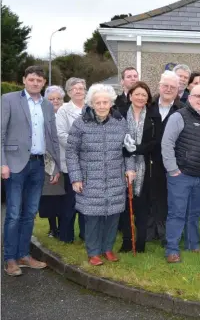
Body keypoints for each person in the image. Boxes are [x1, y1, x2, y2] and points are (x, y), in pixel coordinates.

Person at [66, 84, 136, 266]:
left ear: (111, 103)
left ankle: (107, 248)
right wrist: (76, 177)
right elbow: (71, 152)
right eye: (98, 102)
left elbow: (128, 149)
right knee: (93, 217)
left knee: (113, 216)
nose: (102, 106)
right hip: (90, 179)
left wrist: (130, 168)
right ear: (92, 103)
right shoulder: (81, 123)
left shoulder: (120, 122)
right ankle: (93, 251)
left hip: (115, 177)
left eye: (106, 102)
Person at [2, 66, 61, 276]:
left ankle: (24, 255)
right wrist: (2, 163)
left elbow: (52, 136)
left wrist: (57, 165)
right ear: (24, 80)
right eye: (32, 79)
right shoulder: (8, 100)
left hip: (38, 165)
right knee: (14, 213)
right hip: (15, 165)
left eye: (39, 80)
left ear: (43, 83)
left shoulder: (46, 104)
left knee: (29, 213)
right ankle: (10, 259)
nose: (35, 83)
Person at [162, 84, 200, 263]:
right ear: (189, 98)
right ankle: (172, 249)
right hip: (181, 175)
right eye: (197, 96)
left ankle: (193, 245)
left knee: (194, 213)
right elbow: (167, 143)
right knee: (177, 213)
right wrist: (172, 169)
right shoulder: (178, 116)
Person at [118, 81, 162, 253]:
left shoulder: (154, 115)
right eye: (137, 94)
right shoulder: (119, 114)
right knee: (125, 207)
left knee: (142, 207)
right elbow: (116, 137)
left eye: (144, 95)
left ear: (148, 98)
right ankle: (127, 241)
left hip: (146, 166)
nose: (140, 97)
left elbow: (156, 141)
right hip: (123, 164)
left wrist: (137, 148)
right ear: (130, 95)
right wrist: (127, 150)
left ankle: (141, 242)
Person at [147, 71, 185, 245]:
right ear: (159, 86)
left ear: (178, 90)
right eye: (165, 85)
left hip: (173, 162)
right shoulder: (148, 106)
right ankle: (149, 231)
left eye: (173, 87)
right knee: (150, 196)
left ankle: (165, 234)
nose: (168, 89)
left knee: (169, 199)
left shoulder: (183, 109)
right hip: (149, 160)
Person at [56, 77, 87, 243]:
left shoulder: (91, 108)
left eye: (81, 88)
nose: (78, 91)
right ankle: (66, 235)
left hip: (89, 164)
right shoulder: (63, 110)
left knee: (85, 203)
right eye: (74, 88)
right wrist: (83, 144)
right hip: (70, 162)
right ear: (68, 92)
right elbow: (61, 135)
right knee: (70, 203)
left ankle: (85, 233)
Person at [39, 86, 66, 238]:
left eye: (58, 98)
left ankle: (62, 228)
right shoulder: (42, 116)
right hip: (48, 163)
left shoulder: (67, 115)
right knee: (49, 197)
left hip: (65, 162)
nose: (55, 101)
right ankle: (52, 228)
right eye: (51, 99)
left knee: (62, 198)